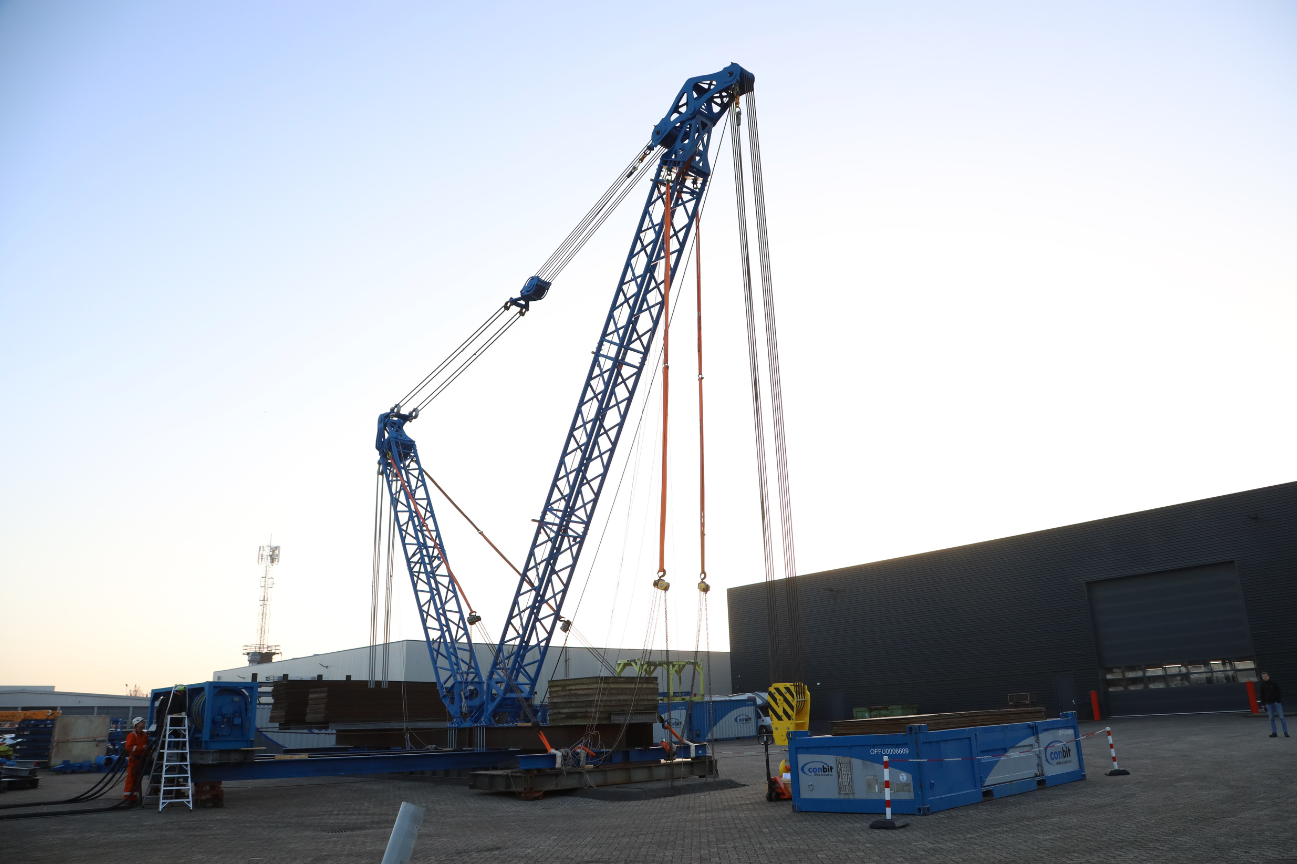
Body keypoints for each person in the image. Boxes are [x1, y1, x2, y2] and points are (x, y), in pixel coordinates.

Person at [122, 717, 149, 802]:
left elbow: (147, 747)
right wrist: (141, 747)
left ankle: (134, 797)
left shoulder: (144, 735)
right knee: (131, 779)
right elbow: (128, 747)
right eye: (141, 722)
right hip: (134, 760)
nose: (143, 723)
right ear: (136, 724)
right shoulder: (132, 735)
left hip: (141, 760)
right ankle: (127, 798)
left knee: (137, 780)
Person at [1259, 672, 1288, 738]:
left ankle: (1285, 732)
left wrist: (1278, 700)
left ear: (1268, 676)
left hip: (1276, 702)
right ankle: (1274, 732)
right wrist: (1263, 704)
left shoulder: (1274, 683)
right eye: (1263, 677)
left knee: (1281, 717)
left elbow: (1279, 692)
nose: (1264, 678)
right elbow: (1262, 695)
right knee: (1271, 718)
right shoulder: (1262, 685)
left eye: (1265, 676)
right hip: (1268, 703)